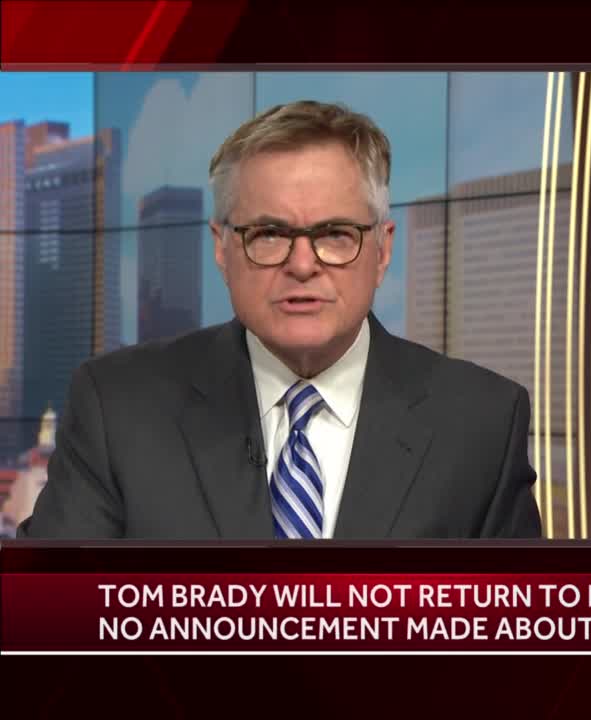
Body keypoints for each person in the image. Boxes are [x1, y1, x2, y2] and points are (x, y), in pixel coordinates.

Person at [20, 101, 542, 539]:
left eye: (336, 233)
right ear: (222, 249)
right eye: (268, 234)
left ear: (382, 252)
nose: (301, 264)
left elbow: (514, 644)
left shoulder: (482, 424)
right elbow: (47, 626)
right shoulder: (118, 407)